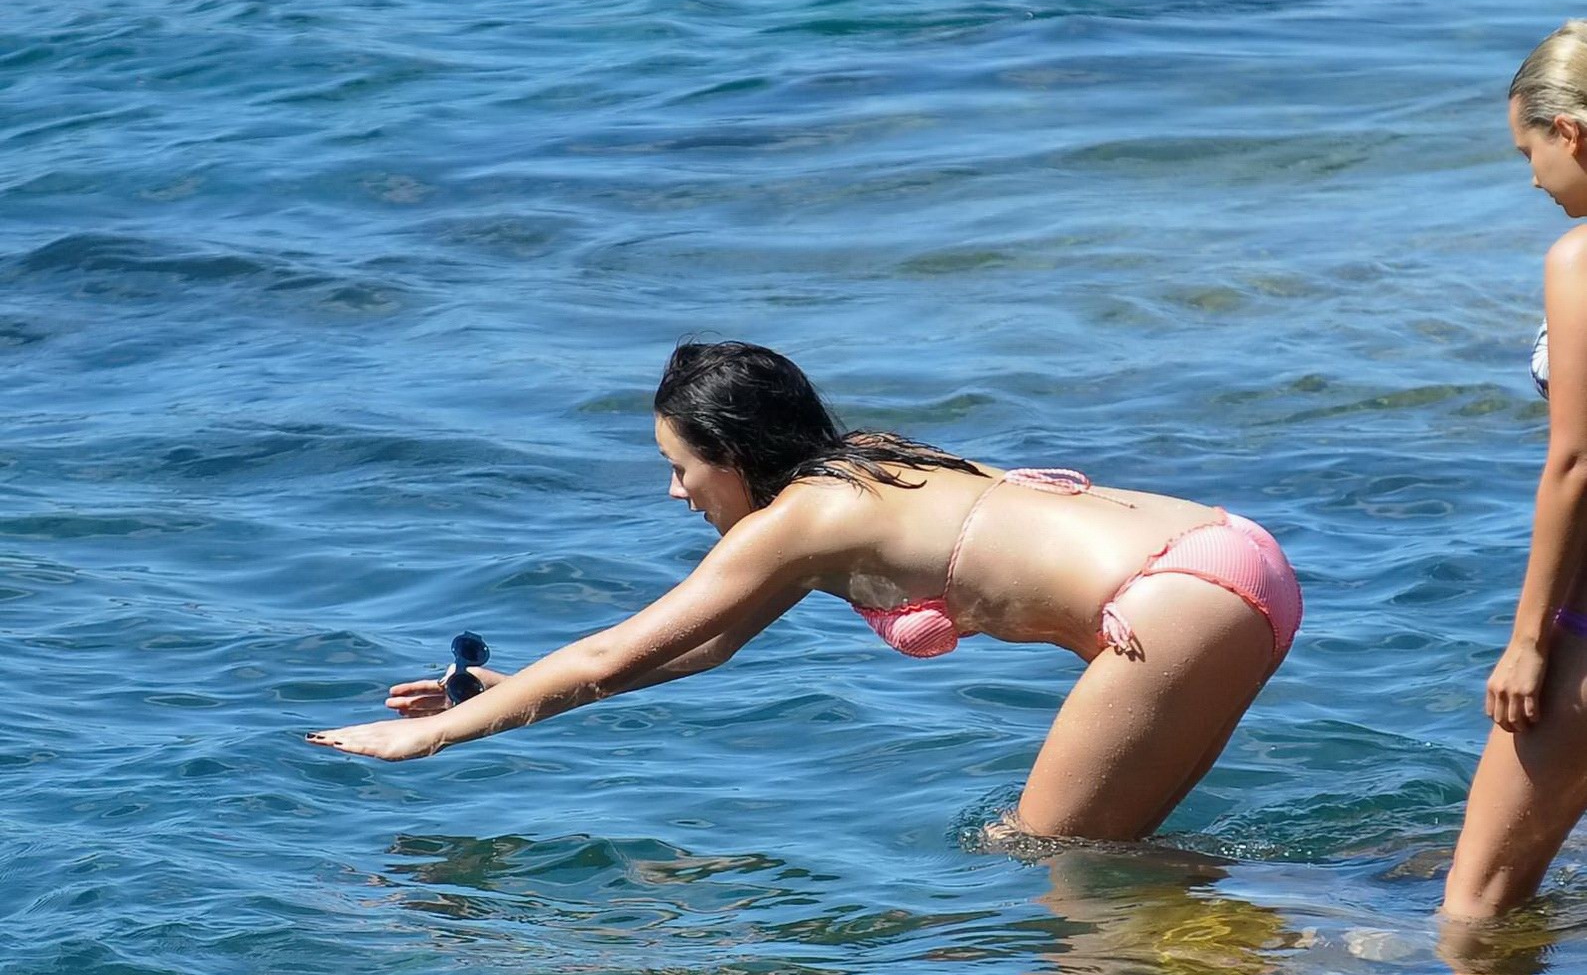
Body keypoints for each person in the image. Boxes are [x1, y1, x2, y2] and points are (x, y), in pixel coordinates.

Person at [308, 341, 1302, 841]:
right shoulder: (865, 464)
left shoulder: (799, 520)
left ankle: (1309, 949)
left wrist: (430, 734)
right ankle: (1373, 886)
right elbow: (702, 646)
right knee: (1107, 849)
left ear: (735, 456)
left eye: (682, 468)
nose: (674, 491)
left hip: (1171, 600)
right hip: (1227, 549)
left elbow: (620, 648)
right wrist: (501, 689)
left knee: (1042, 857)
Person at [1445, 21, 1587, 919]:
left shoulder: (1579, 263)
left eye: (1527, 152)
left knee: (1474, 916)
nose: (1531, 178)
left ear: (1570, 133)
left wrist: (1530, 640)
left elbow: (1575, 464)